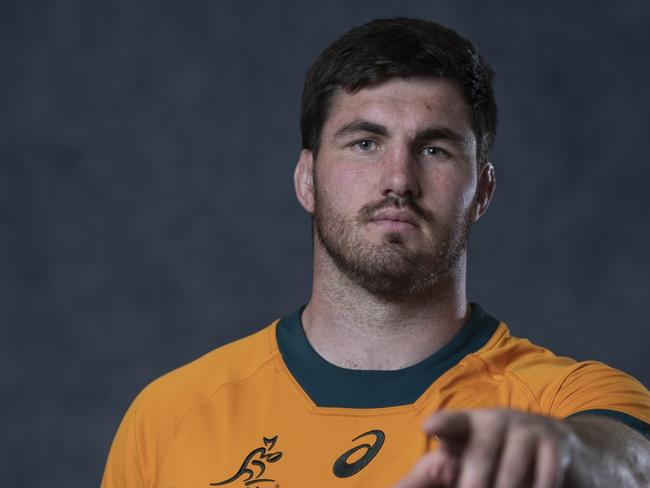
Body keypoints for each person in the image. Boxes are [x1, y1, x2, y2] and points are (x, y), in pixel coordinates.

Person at [101, 17, 650, 487]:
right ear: (306, 180)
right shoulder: (171, 416)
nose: (398, 179)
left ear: (481, 191)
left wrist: (564, 455)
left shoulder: (560, 400)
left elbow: (631, 460)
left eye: (433, 148)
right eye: (365, 142)